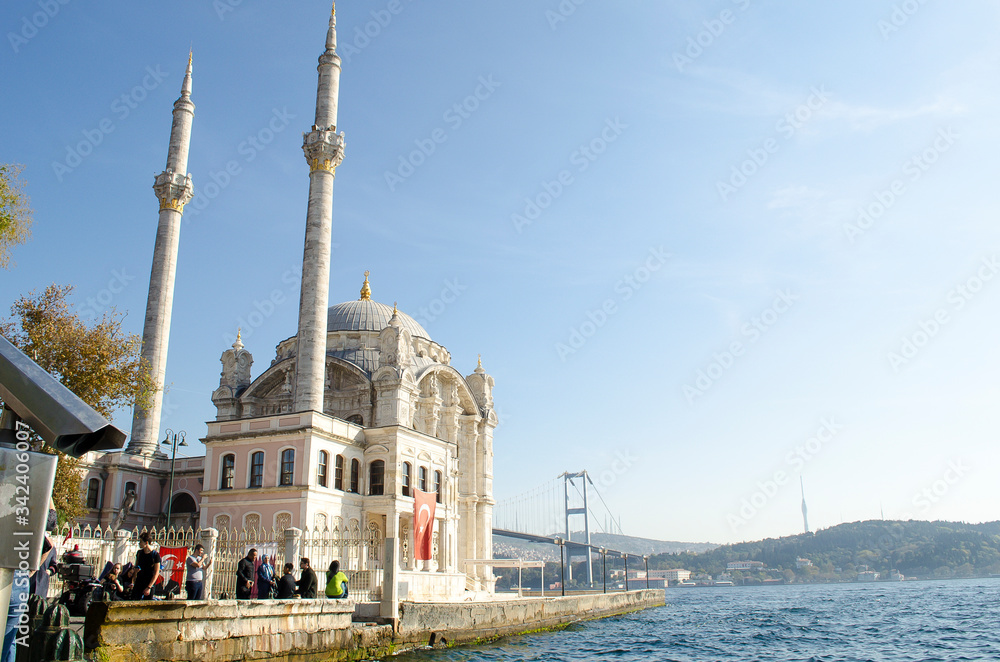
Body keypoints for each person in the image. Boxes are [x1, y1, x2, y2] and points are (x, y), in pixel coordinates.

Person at [130, 532, 161, 600]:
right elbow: (136, 566)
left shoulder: (155, 555)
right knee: (134, 600)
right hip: (139, 581)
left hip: (149, 581)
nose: (139, 543)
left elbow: (156, 572)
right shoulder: (139, 553)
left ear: (146, 542)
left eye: (141, 542)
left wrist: (149, 587)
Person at [29, 534, 58, 599]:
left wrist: (49, 571)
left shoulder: (51, 548)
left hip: (41, 583)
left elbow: (54, 566)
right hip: (28, 581)